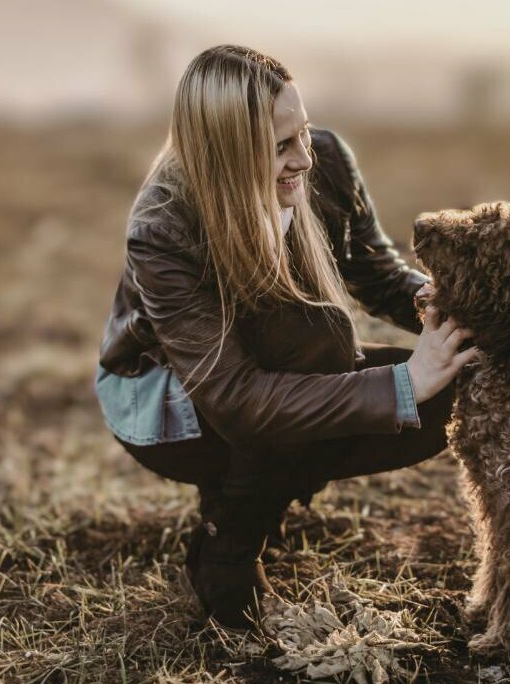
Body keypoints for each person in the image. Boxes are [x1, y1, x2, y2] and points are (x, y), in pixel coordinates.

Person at [93, 45, 479, 628]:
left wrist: (470, 316)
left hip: (261, 379)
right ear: (225, 152)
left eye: (301, 129)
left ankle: (257, 489)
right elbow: (238, 400)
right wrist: (405, 380)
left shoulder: (324, 156)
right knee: (316, 336)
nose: (305, 155)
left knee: (446, 396)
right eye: (280, 146)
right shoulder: (164, 225)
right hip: (168, 406)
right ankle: (229, 548)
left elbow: (376, 272)